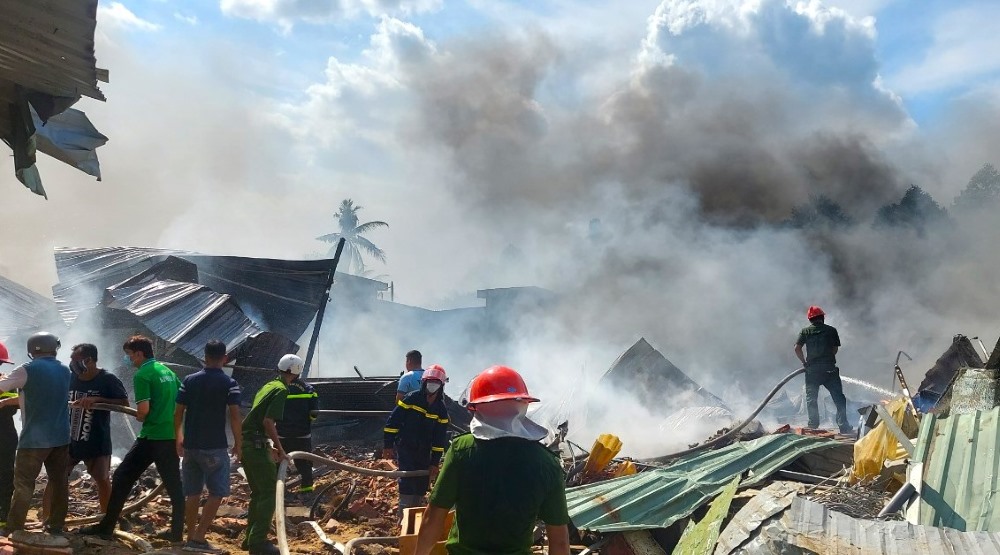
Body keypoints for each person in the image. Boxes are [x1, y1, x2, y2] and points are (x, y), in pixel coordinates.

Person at [414, 365, 570, 555]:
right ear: (523, 404)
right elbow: (560, 540)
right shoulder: (547, 463)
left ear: (476, 407)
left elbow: (433, 517)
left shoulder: (462, 450)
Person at [80, 335, 185, 542]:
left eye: (129, 355)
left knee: (121, 477)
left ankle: (106, 527)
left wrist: (140, 414)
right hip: (170, 435)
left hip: (151, 436)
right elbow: (182, 400)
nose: (129, 360)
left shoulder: (143, 375)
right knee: (174, 487)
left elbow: (143, 410)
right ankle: (177, 533)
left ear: (139, 353)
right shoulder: (168, 372)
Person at [41, 343, 129, 520]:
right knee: (56, 478)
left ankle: (108, 520)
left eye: (76, 360)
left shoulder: (107, 379)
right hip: (69, 439)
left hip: (97, 440)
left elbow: (124, 403)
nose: (72, 363)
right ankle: (47, 518)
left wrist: (97, 399)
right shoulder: (71, 377)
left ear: (89, 360)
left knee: (102, 479)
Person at [0, 332, 71, 535]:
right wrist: (6, 401)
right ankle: (56, 526)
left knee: (23, 484)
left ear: (32, 350)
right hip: (61, 438)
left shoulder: (26, 370)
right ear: (54, 348)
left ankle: (14, 527)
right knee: (59, 483)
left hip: (34, 440)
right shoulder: (65, 370)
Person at [174, 340, 242, 553]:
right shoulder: (229, 383)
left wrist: (179, 438)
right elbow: (234, 416)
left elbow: (178, 413)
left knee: (192, 493)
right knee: (217, 491)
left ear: (204, 356)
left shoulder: (189, 380)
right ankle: (199, 538)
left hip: (191, 445)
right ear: (225, 358)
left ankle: (189, 536)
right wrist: (239, 443)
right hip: (215, 447)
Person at [241, 354, 300, 555]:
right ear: (296, 371)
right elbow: (268, 422)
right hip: (256, 446)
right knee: (268, 493)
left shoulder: (268, 385)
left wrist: (270, 445)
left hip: (247, 444)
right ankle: (258, 542)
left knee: (258, 493)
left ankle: (249, 539)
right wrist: (280, 449)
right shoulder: (282, 389)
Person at [382, 364, 449, 518]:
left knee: (421, 483)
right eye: (430, 382)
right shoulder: (412, 399)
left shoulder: (441, 409)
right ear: (424, 383)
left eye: (436, 383)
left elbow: (440, 439)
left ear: (441, 386)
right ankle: (403, 517)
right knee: (407, 479)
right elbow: (393, 421)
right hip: (406, 446)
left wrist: (434, 462)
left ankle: (416, 515)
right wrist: (388, 445)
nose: (432, 386)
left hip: (424, 450)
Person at [795, 305, 853, 434]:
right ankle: (843, 426)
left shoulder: (805, 331)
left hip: (812, 371)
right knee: (839, 398)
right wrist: (828, 358)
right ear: (822, 318)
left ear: (810, 320)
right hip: (829, 371)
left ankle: (813, 426)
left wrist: (804, 362)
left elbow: (797, 348)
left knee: (811, 399)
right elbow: (835, 348)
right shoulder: (831, 330)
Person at [276, 366, 318, 496]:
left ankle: (278, 492)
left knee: (278, 464)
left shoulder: (277, 388)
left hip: (281, 434)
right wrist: (306, 421)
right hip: (302, 434)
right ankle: (306, 492)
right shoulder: (308, 389)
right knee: (304, 463)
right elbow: (314, 413)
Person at [0, 341, 19, 528]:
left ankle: (3, 515)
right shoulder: (8, 383)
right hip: (6, 434)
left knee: (5, 474)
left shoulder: (8, 383)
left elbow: (15, 407)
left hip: (4, 435)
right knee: (5, 474)